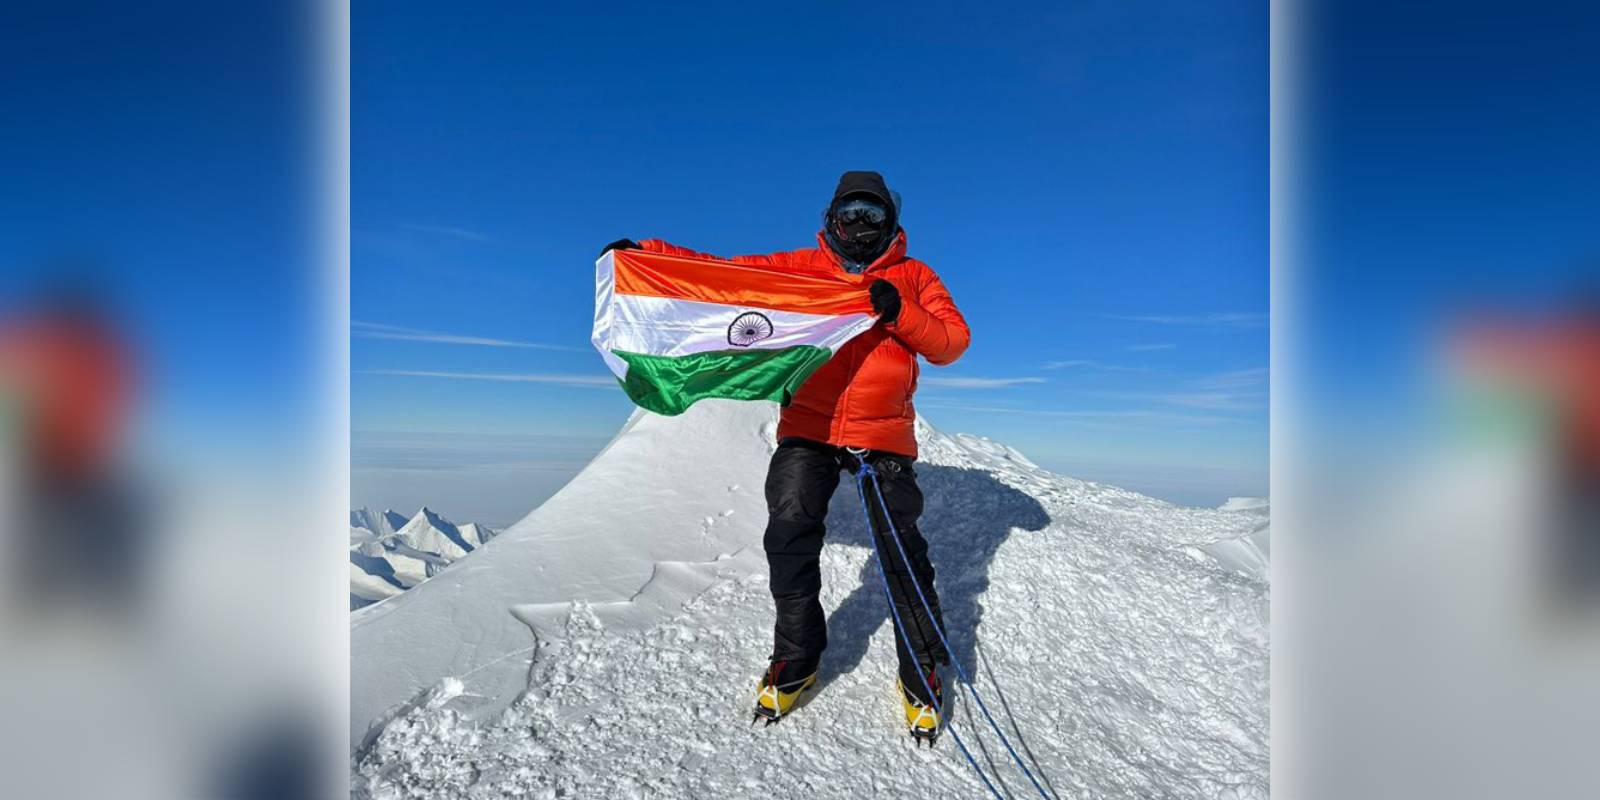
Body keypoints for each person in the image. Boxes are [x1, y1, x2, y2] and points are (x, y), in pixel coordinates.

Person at [602, 170, 971, 739]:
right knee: (790, 533)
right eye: (851, 211)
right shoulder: (800, 268)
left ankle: (921, 667)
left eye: (872, 214)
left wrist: (900, 311)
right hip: (810, 426)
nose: (860, 224)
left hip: (883, 433)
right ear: (833, 216)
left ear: (891, 222)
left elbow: (951, 342)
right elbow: (726, 278)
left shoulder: (915, 276)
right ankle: (797, 659)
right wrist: (648, 255)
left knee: (901, 547)